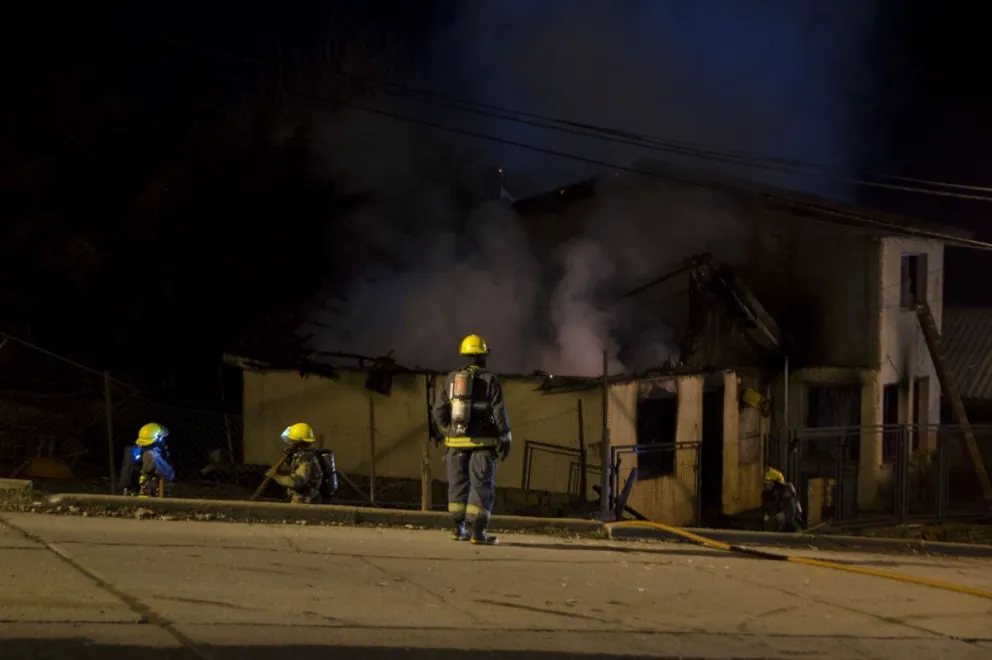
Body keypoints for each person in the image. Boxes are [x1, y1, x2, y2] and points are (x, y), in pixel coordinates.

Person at [432, 334, 512, 545]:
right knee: (481, 486)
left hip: (455, 445)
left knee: (457, 486)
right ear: (483, 357)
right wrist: (506, 438)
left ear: (464, 355)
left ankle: (458, 530)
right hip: (483, 445)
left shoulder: (450, 380)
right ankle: (478, 533)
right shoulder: (490, 381)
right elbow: (499, 413)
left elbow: (438, 412)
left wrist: (449, 431)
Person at [266, 422, 339, 504]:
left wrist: (275, 476)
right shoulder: (301, 456)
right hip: (301, 499)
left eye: (292, 442)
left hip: (306, 502)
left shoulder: (307, 459)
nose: (290, 445)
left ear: (298, 444)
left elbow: (295, 483)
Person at [120, 423, 176, 498]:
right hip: (148, 498)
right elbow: (169, 475)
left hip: (132, 495)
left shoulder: (133, 451)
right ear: (157, 440)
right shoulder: (153, 456)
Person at [762, 467, 803, 532]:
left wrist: (774, 520)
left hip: (791, 527)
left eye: (768, 483)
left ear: (775, 483)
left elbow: (790, 513)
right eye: (766, 483)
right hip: (780, 528)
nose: (766, 486)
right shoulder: (770, 493)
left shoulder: (786, 491)